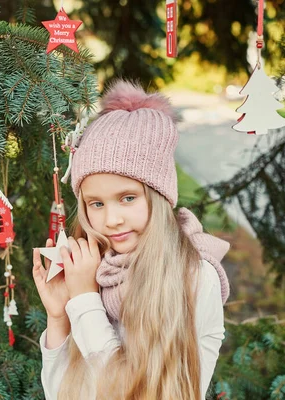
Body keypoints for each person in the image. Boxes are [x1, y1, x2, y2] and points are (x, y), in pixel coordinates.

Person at [32, 80, 230, 400]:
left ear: (159, 196)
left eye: (127, 198)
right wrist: (59, 319)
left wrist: (84, 301)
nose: (111, 220)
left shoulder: (192, 276)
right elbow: (63, 393)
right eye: (96, 204)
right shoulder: (97, 271)